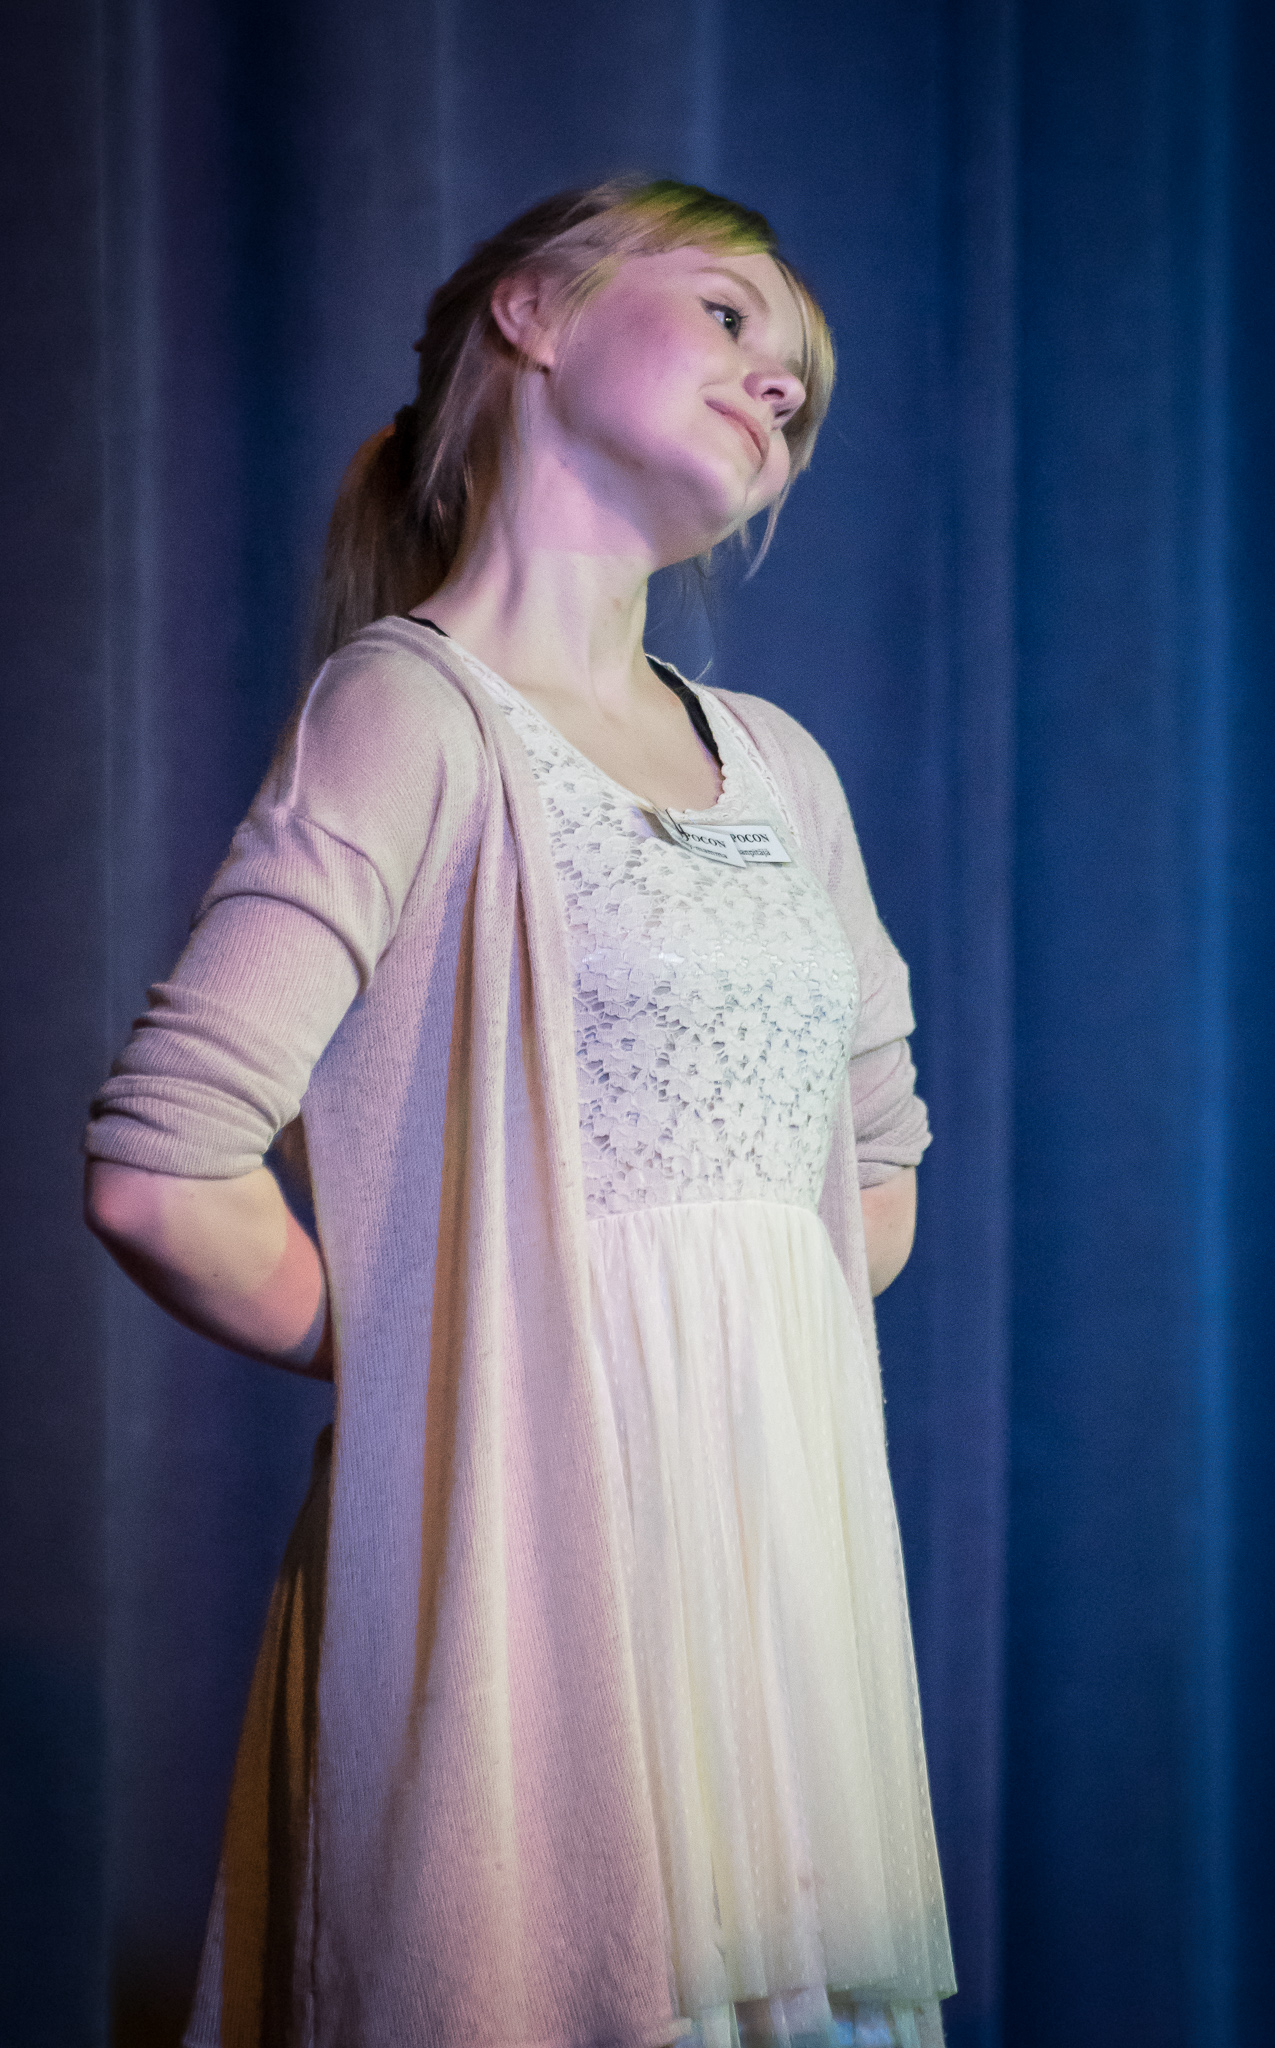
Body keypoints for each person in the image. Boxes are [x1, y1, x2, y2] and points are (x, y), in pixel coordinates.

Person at [84, 177, 957, 2048]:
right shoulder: (412, 714)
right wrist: (458, 1357)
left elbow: (876, 1162)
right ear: (535, 317)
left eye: (800, 374)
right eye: (727, 313)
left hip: (770, 1614)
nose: (780, 379)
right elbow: (164, 1172)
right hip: (533, 1574)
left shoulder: (780, 769)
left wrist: (727, 1355)